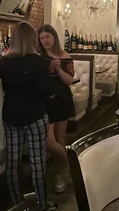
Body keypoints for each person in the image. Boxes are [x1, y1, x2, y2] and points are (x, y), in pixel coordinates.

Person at [0, 21, 57, 211]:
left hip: (11, 116)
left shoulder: (3, 62)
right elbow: (49, 92)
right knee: (38, 161)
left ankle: (17, 204)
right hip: (36, 116)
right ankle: (41, 204)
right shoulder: (40, 62)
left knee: (12, 162)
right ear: (32, 39)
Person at [38, 24, 75, 194]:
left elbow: (69, 81)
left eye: (47, 37)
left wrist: (58, 67)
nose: (44, 40)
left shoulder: (65, 56)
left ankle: (62, 175)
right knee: (49, 142)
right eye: (41, 38)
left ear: (54, 37)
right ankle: (73, 164)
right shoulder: (38, 57)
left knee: (60, 138)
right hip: (44, 101)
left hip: (62, 99)